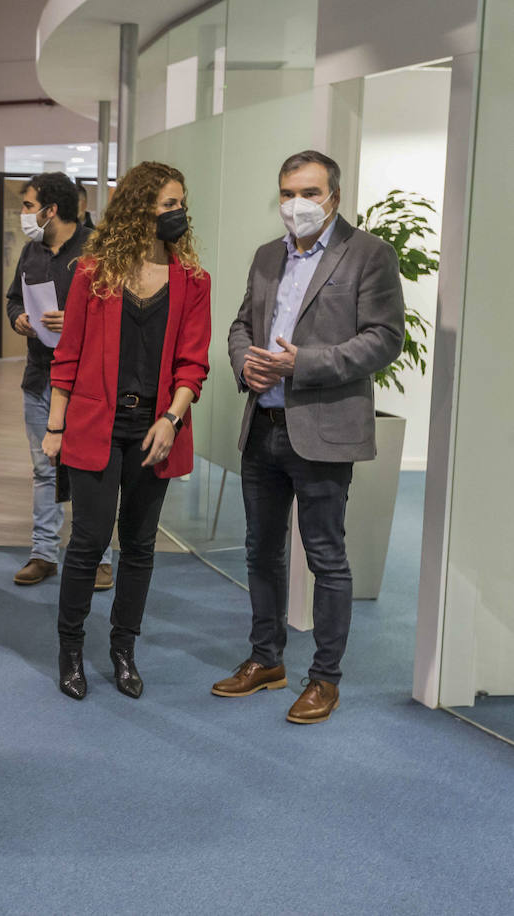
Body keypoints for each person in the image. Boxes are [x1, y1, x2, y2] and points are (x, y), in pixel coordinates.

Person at [213, 150, 404, 724]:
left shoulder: (369, 253)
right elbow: (242, 324)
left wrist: (306, 363)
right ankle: (266, 659)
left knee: (326, 557)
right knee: (260, 552)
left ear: (335, 197)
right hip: (263, 427)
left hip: (322, 430)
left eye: (309, 192)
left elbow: (384, 338)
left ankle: (324, 679)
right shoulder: (267, 255)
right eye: (288, 192)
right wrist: (245, 361)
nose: (296, 204)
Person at [42, 161, 211, 701]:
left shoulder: (194, 281)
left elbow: (193, 365)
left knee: (139, 545)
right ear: (140, 209)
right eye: (166, 203)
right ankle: (70, 648)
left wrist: (172, 417)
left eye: (180, 202)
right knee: (89, 540)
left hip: (156, 428)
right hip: (96, 425)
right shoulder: (95, 275)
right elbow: (66, 358)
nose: (177, 213)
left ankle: (123, 648)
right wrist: (54, 426)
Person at [5, 172, 113, 588]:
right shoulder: (32, 252)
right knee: (44, 468)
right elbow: (15, 296)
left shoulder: (97, 251)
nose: (24, 214)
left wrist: (76, 320)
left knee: (89, 470)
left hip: (87, 382)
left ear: (52, 210)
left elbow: (116, 310)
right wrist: (19, 318)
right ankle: (43, 553)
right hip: (39, 377)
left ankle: (99, 557)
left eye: (30, 206)